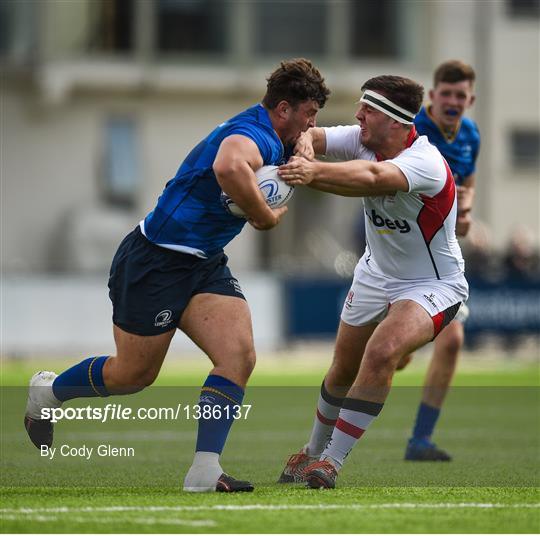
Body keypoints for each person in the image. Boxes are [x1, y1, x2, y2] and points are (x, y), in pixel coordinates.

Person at [23, 58, 330, 493]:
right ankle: (48, 394)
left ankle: (204, 470)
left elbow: (313, 136)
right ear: (283, 109)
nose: (312, 124)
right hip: (155, 260)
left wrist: (307, 144)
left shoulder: (281, 130)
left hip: (203, 262)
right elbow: (227, 167)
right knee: (133, 376)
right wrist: (264, 215)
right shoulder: (253, 134)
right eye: (308, 115)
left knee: (238, 356)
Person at [276, 75, 468, 489]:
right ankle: (311, 451)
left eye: (369, 110)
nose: (358, 116)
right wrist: (306, 147)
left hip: (431, 284)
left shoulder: (425, 162)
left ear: (396, 122)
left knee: (383, 351)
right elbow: (314, 134)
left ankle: (331, 461)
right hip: (374, 272)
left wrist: (309, 172)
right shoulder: (363, 136)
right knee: (343, 366)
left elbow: (371, 178)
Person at [396, 60, 480, 462]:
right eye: (445, 94)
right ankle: (326, 436)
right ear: (432, 97)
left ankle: (420, 440)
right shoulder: (413, 132)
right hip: (397, 251)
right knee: (389, 354)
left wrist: (465, 210)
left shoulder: (471, 136)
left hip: (440, 258)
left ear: (470, 100)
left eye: (460, 95)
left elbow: (467, 184)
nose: (452, 101)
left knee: (453, 341)